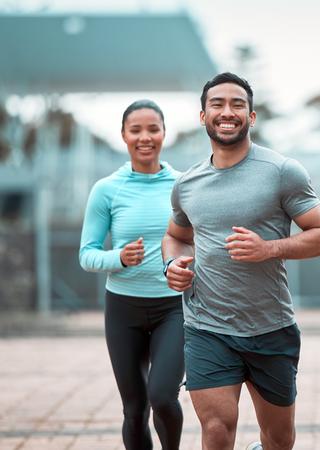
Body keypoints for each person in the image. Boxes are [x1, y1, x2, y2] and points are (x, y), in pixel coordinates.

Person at [162, 72, 320, 450]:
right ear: (203, 115)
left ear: (251, 117)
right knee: (217, 429)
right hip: (207, 326)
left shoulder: (282, 171)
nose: (228, 112)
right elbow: (176, 236)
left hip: (270, 327)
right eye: (218, 104)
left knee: (278, 438)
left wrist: (270, 248)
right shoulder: (187, 184)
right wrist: (172, 265)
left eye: (237, 104)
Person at [79, 100, 184, 450]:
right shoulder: (107, 189)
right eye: (135, 129)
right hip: (123, 309)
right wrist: (119, 258)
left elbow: (200, 242)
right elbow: (87, 254)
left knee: (164, 397)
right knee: (134, 409)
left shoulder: (183, 185)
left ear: (164, 133)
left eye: (153, 128)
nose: (145, 137)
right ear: (123, 135)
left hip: (174, 308)